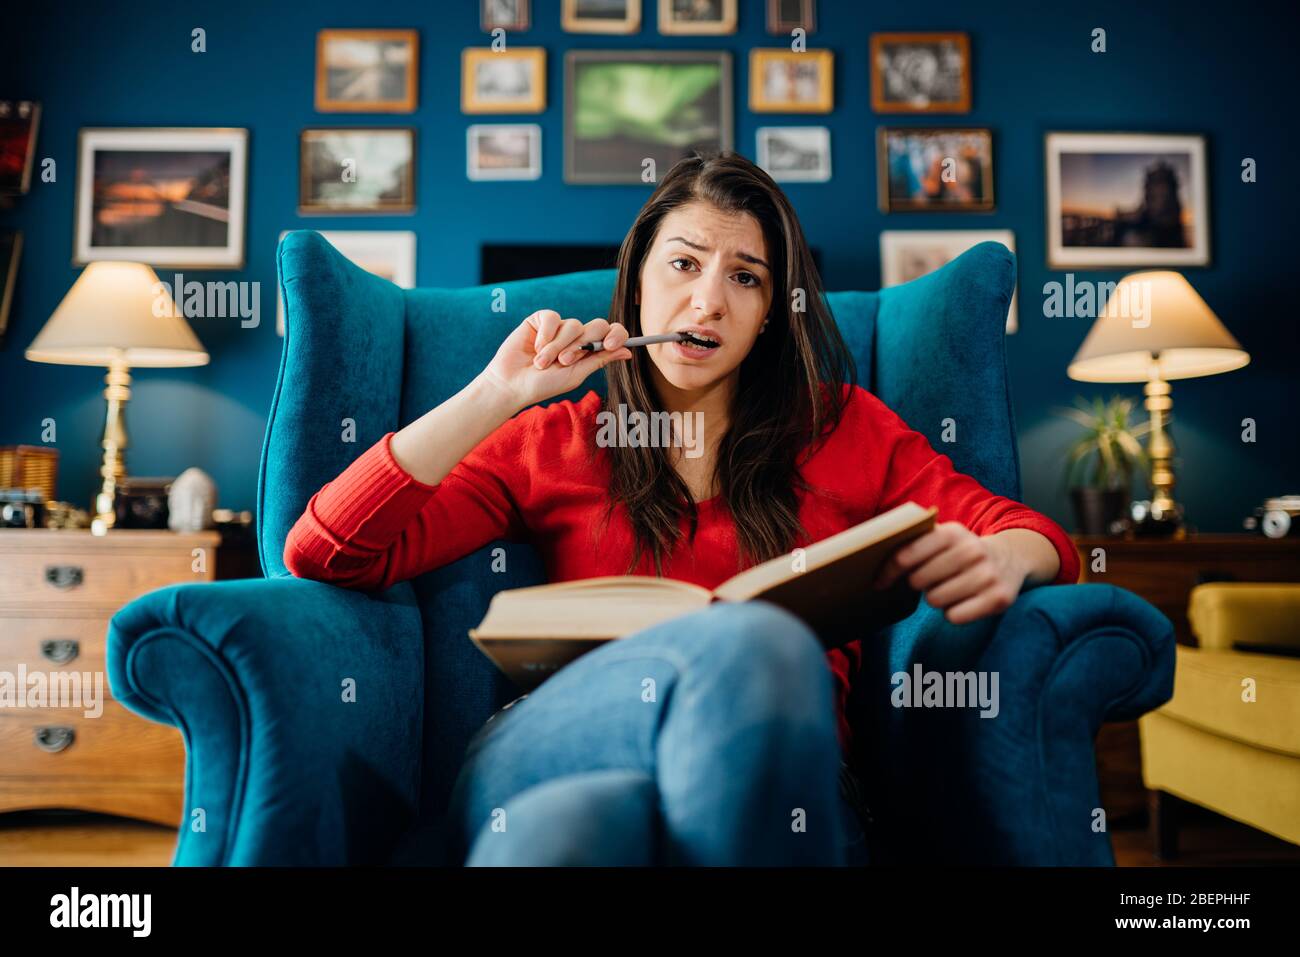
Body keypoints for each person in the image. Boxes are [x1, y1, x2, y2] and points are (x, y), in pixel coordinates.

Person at [283, 150, 1080, 866]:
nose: (707, 302)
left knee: (561, 833)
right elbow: (328, 549)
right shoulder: (558, 438)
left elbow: (1030, 533)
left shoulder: (845, 427)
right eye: (684, 265)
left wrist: (1006, 556)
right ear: (634, 284)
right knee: (557, 812)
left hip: (781, 772)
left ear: (771, 310)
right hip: (568, 737)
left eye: (745, 277)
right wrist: (495, 393)